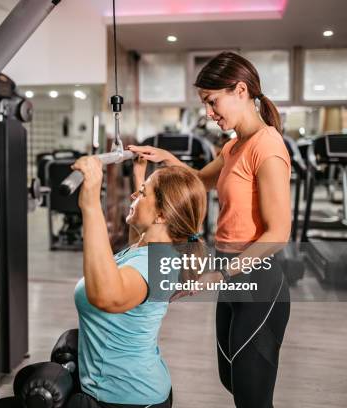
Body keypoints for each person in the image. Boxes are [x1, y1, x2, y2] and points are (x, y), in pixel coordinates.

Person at [129, 51, 292, 408]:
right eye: (205, 103)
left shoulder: (268, 148)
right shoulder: (235, 145)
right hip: (232, 275)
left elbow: (278, 233)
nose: (209, 112)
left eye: (211, 101)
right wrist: (167, 159)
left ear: (240, 90)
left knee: (252, 396)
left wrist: (218, 273)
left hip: (258, 279)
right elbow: (201, 181)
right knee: (231, 378)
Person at [66, 155, 207, 408]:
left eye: (142, 194)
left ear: (162, 215)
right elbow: (138, 238)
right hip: (130, 389)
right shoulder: (150, 250)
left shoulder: (155, 266)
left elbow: (107, 297)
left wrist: (90, 202)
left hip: (125, 398)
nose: (133, 196)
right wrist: (139, 176)